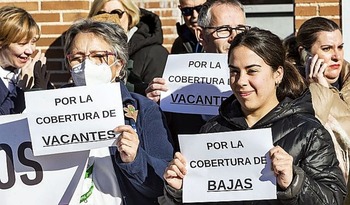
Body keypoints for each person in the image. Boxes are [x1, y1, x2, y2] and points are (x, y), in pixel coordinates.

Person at [163, 27, 347, 204]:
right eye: (234, 71)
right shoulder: (210, 132)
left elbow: (333, 198)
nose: (241, 81)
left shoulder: (309, 132)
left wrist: (295, 182)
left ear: (277, 74)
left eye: (252, 71)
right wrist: (179, 191)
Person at [63, 19, 174, 204]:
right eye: (77, 57)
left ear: (119, 64)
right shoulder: (53, 110)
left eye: (99, 56)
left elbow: (163, 182)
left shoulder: (144, 110)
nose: (86, 65)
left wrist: (135, 159)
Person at [146, 0, 247, 151]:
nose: (234, 37)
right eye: (224, 30)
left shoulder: (262, 77)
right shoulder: (176, 82)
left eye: (240, 29)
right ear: (201, 35)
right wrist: (153, 108)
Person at [286, 17, 350, 184]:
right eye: (327, 48)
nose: (337, 56)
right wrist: (319, 89)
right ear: (304, 53)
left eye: (340, 47)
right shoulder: (291, 90)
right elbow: (310, 136)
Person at [88, 0, 169, 96]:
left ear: (130, 16)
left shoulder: (154, 53)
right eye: (101, 14)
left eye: (116, 13)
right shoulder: (87, 55)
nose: (109, 19)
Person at [0, 6, 50, 115]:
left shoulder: (34, 71)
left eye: (33, 42)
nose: (30, 50)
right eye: (22, 44)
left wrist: (40, 90)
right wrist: (21, 90)